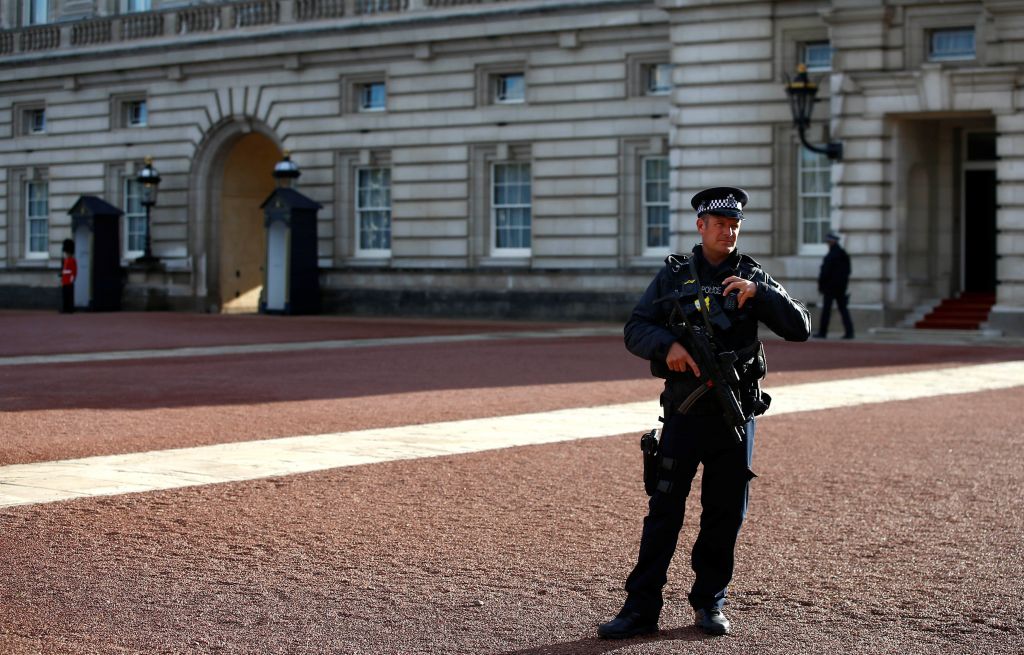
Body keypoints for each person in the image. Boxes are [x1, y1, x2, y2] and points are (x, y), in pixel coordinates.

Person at [598, 187, 810, 639]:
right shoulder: (674, 276)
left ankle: (710, 603)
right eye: (719, 224)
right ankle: (641, 609)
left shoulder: (752, 276)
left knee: (724, 514)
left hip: (734, 418)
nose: (728, 232)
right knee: (663, 512)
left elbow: (800, 327)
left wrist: (761, 294)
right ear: (701, 226)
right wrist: (667, 346)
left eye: (734, 225)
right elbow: (636, 328)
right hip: (684, 411)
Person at [814, 231, 854, 339]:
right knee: (843, 309)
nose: (827, 243)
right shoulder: (843, 254)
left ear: (832, 241)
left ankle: (823, 332)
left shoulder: (831, 255)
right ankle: (849, 332)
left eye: (828, 241)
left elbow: (825, 272)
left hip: (830, 287)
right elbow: (847, 271)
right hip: (840, 287)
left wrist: (821, 285)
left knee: (826, 310)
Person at [60, 238, 77, 314]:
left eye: (67, 252)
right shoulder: (66, 260)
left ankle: (70, 309)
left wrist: (72, 278)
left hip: (69, 280)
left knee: (69, 296)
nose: (66, 254)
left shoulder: (72, 260)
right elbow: (64, 270)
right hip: (65, 280)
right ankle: (65, 308)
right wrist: (62, 275)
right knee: (65, 295)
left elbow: (74, 270)